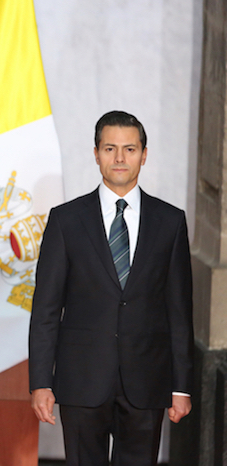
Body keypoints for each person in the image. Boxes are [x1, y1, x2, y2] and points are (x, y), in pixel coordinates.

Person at [28, 110, 194, 465]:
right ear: (96, 153)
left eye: (130, 149)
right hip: (81, 379)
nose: (120, 158)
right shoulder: (66, 220)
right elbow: (45, 309)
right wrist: (41, 382)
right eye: (110, 148)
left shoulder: (170, 222)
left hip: (147, 381)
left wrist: (180, 387)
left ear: (144, 155)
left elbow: (179, 312)